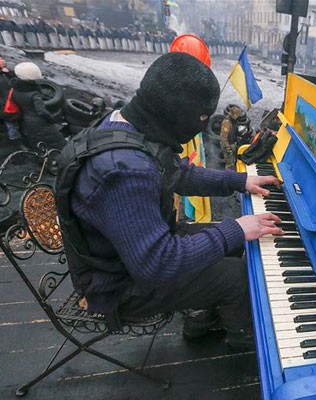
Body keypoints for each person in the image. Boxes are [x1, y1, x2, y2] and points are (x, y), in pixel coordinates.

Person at [54, 52, 283, 351]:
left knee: (237, 239)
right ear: (177, 114)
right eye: (202, 117)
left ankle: (201, 316)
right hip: (117, 284)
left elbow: (176, 173)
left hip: (125, 252)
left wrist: (238, 181)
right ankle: (243, 340)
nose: (203, 125)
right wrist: (236, 229)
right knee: (237, 277)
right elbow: (156, 264)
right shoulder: (124, 171)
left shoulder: (126, 123)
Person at [10, 62, 65, 150]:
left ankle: (41, 159)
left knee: (37, 144)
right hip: (40, 124)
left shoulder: (14, 89)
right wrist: (52, 119)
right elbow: (41, 111)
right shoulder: (34, 94)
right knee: (58, 143)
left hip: (26, 121)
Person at [0, 57, 22, 148]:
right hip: (5, 105)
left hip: (13, 101)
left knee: (14, 122)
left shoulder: (7, 73)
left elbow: (17, 81)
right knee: (11, 124)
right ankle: (16, 143)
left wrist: (8, 72)